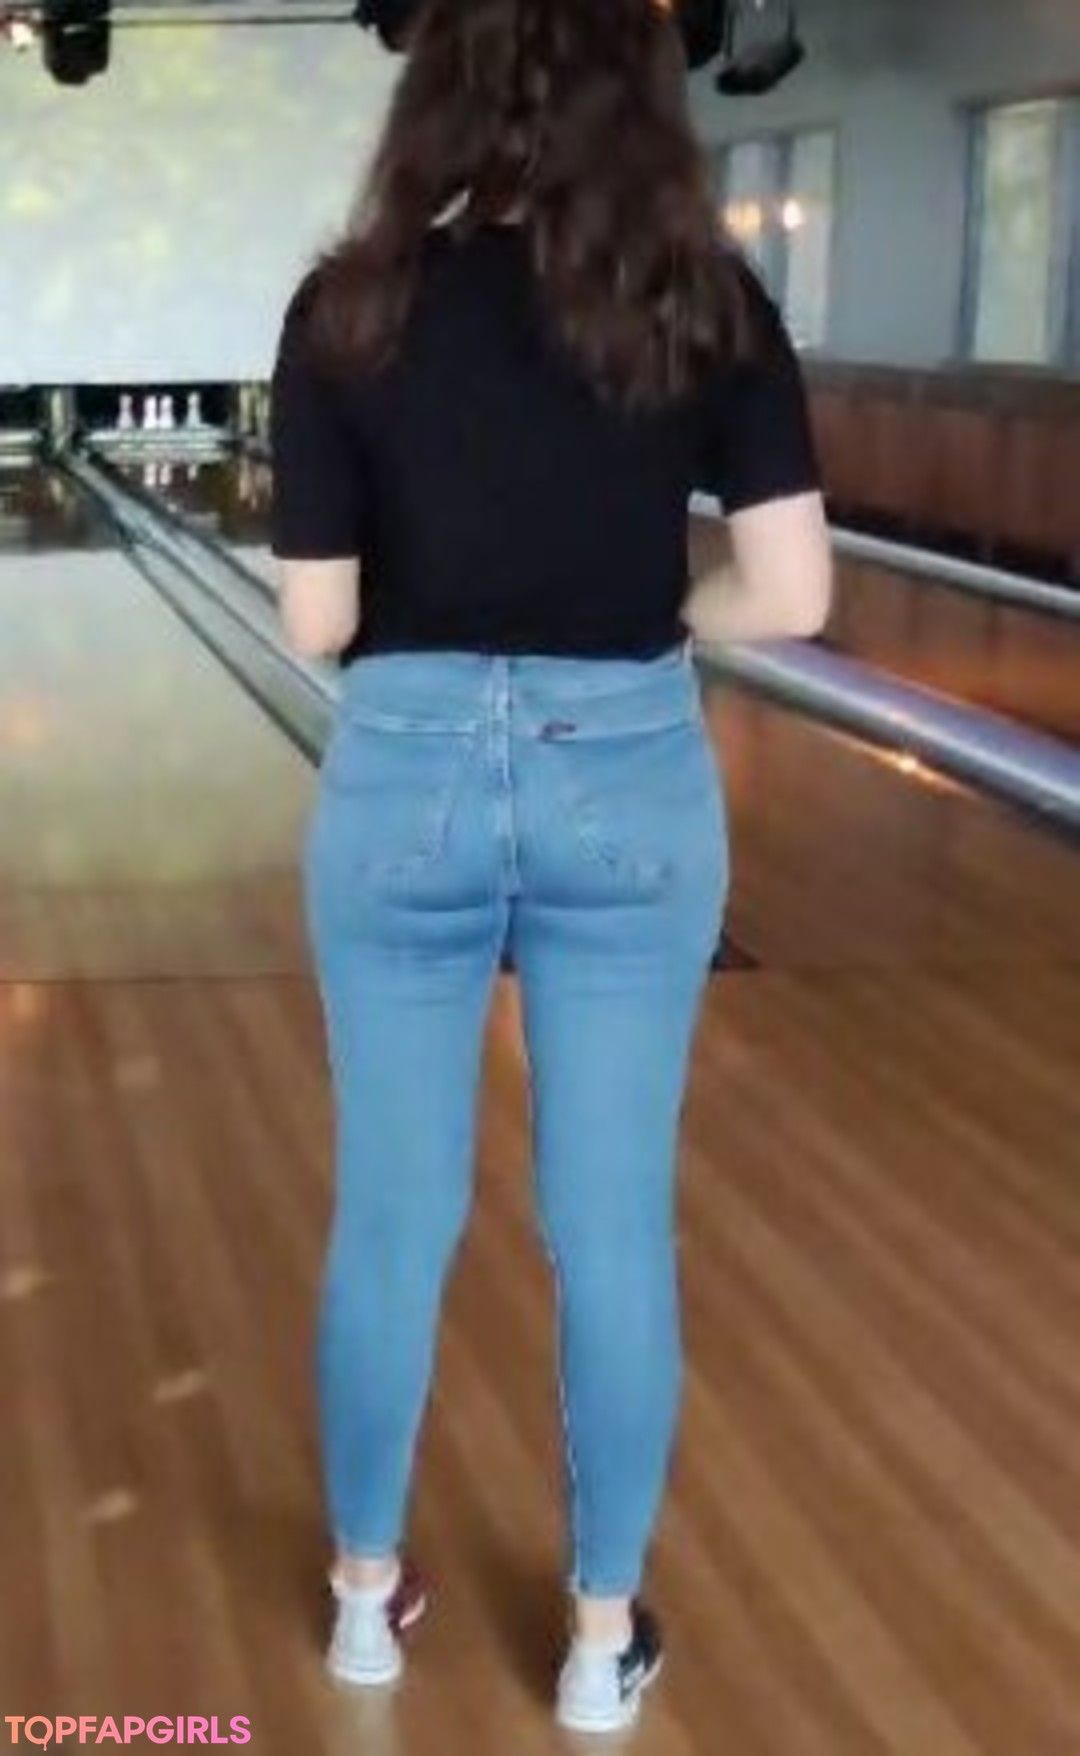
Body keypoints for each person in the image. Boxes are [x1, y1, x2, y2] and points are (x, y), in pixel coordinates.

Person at [269, 0, 831, 1735]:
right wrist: (658, 613)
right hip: (627, 776)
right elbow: (794, 593)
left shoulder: (349, 304)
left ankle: (366, 1606)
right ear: (638, 95)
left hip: (408, 778)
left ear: (435, 94)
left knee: (392, 1215)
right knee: (611, 1226)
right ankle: (598, 1643)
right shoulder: (701, 299)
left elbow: (317, 624)